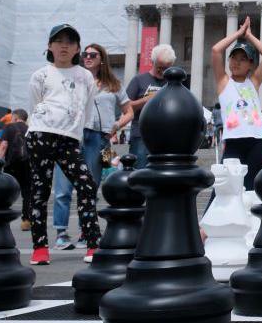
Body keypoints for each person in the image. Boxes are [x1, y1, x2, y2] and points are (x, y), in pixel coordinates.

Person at [25, 24, 101, 266]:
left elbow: (86, 108)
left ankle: (92, 242)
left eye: (70, 41)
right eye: (58, 41)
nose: (64, 45)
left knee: (86, 185)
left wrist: (76, 131)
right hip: (41, 134)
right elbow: (35, 104)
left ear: (78, 48)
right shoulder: (40, 75)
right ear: (49, 46)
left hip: (69, 139)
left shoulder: (85, 76)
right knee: (40, 190)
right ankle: (40, 247)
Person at [52, 43, 133, 250]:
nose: (87, 57)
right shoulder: (72, 79)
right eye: (85, 54)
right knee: (63, 187)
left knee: (89, 187)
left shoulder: (113, 84)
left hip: (98, 138)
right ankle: (61, 232)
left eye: (92, 55)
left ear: (101, 59)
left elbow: (129, 111)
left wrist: (116, 125)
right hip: (71, 135)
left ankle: (84, 231)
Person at [212, 17, 262, 190]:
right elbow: (216, 50)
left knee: (249, 186)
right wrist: (238, 34)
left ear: (250, 64)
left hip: (258, 140)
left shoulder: (253, 81)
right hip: (233, 140)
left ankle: (248, 217)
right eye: (233, 57)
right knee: (224, 186)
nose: (236, 62)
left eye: (243, 59)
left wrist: (249, 36)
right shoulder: (223, 82)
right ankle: (210, 217)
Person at [124, 44, 174, 170]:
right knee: (140, 173)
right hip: (141, 136)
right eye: (160, 67)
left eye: (166, 68)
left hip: (166, 136)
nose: (163, 72)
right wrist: (147, 99)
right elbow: (126, 107)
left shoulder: (172, 84)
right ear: (153, 62)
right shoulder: (138, 80)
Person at [0, 108, 32, 231]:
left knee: (6, 190)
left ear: (16, 117)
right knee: (27, 193)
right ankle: (26, 220)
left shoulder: (9, 127)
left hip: (11, 164)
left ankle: (2, 217)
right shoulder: (31, 129)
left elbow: (3, 145)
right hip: (27, 164)